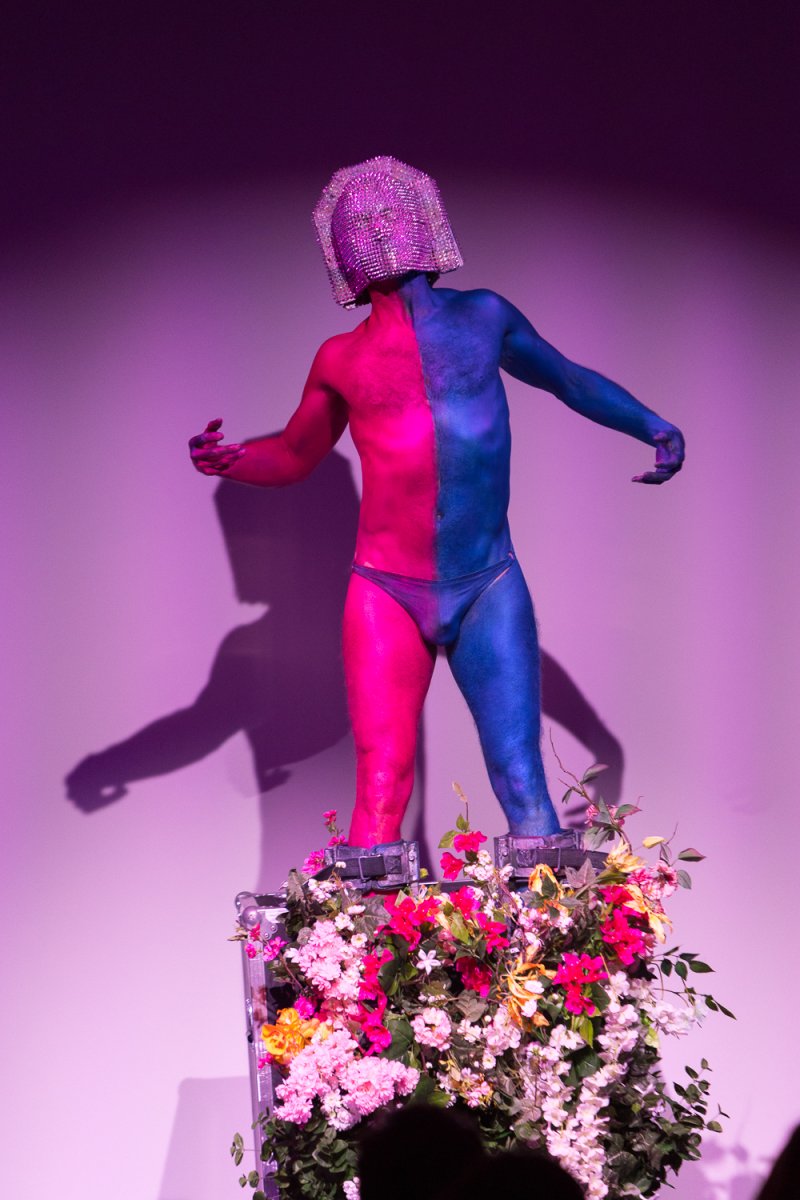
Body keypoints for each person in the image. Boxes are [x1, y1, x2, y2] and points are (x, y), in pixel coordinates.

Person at [189, 156, 684, 849]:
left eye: (385, 216)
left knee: (519, 776)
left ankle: (548, 954)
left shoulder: (484, 319)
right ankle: (353, 953)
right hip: (386, 589)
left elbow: (567, 378)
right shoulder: (342, 360)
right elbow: (298, 454)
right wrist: (236, 460)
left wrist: (650, 424)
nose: (375, 231)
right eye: (361, 223)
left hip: (486, 580)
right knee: (383, 783)